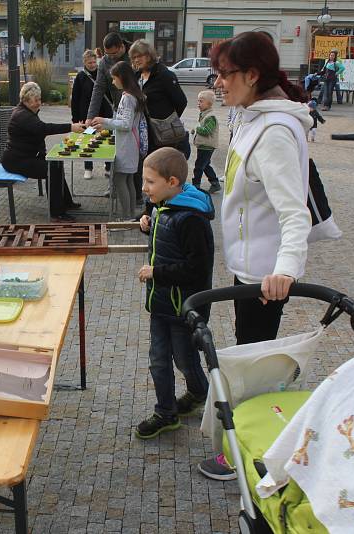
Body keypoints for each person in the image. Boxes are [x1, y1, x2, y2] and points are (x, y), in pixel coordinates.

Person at [198, 31, 312, 481]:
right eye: (218, 73)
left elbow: (294, 213)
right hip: (248, 268)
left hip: (265, 277)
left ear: (252, 75)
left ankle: (251, 455)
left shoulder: (274, 133)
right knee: (251, 358)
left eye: (225, 74)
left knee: (255, 368)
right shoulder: (250, 117)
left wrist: (284, 270)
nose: (219, 83)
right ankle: (254, 446)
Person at [134, 146, 214, 439]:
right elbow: (163, 230)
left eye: (150, 182)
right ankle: (165, 413)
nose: (144, 188)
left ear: (172, 183)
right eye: (144, 181)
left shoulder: (192, 219)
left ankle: (202, 394)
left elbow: (197, 268)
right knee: (158, 359)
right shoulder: (163, 206)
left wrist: (157, 273)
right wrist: (147, 223)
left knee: (185, 359)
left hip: (184, 308)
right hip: (161, 303)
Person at [1, 81, 86, 223]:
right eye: (35, 100)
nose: (38, 103)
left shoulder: (27, 111)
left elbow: (39, 133)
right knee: (52, 168)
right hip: (16, 161)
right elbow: (44, 128)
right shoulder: (23, 115)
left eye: (39, 99)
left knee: (56, 164)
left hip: (25, 156)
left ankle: (66, 202)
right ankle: (56, 213)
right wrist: (71, 127)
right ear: (26, 101)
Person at [89, 61, 144, 220]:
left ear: (122, 78)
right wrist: (106, 123)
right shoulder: (134, 95)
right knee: (128, 180)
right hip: (130, 143)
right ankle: (131, 214)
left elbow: (125, 124)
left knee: (120, 179)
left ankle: (126, 216)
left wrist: (104, 121)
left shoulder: (127, 98)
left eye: (114, 78)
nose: (112, 82)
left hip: (126, 145)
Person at [129, 40, 189, 161]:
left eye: (140, 56)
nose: (136, 60)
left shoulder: (165, 75)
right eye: (134, 57)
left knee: (161, 168)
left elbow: (181, 101)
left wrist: (166, 120)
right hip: (144, 133)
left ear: (149, 55)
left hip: (163, 134)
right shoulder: (137, 76)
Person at [71, 49, 112, 180]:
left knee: (107, 140)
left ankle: (108, 167)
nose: (93, 65)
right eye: (89, 63)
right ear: (84, 62)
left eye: (94, 62)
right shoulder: (80, 77)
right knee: (87, 141)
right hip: (86, 116)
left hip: (104, 114)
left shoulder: (103, 74)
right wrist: (75, 119)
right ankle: (88, 168)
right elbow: (75, 99)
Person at [191, 90, 220, 193]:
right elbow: (201, 126)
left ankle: (195, 186)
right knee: (205, 165)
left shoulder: (210, 117)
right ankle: (215, 183)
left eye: (201, 101)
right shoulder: (204, 114)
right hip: (203, 145)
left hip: (207, 146)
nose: (198, 103)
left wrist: (197, 128)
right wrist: (196, 129)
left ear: (209, 104)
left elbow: (207, 131)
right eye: (198, 101)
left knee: (199, 166)